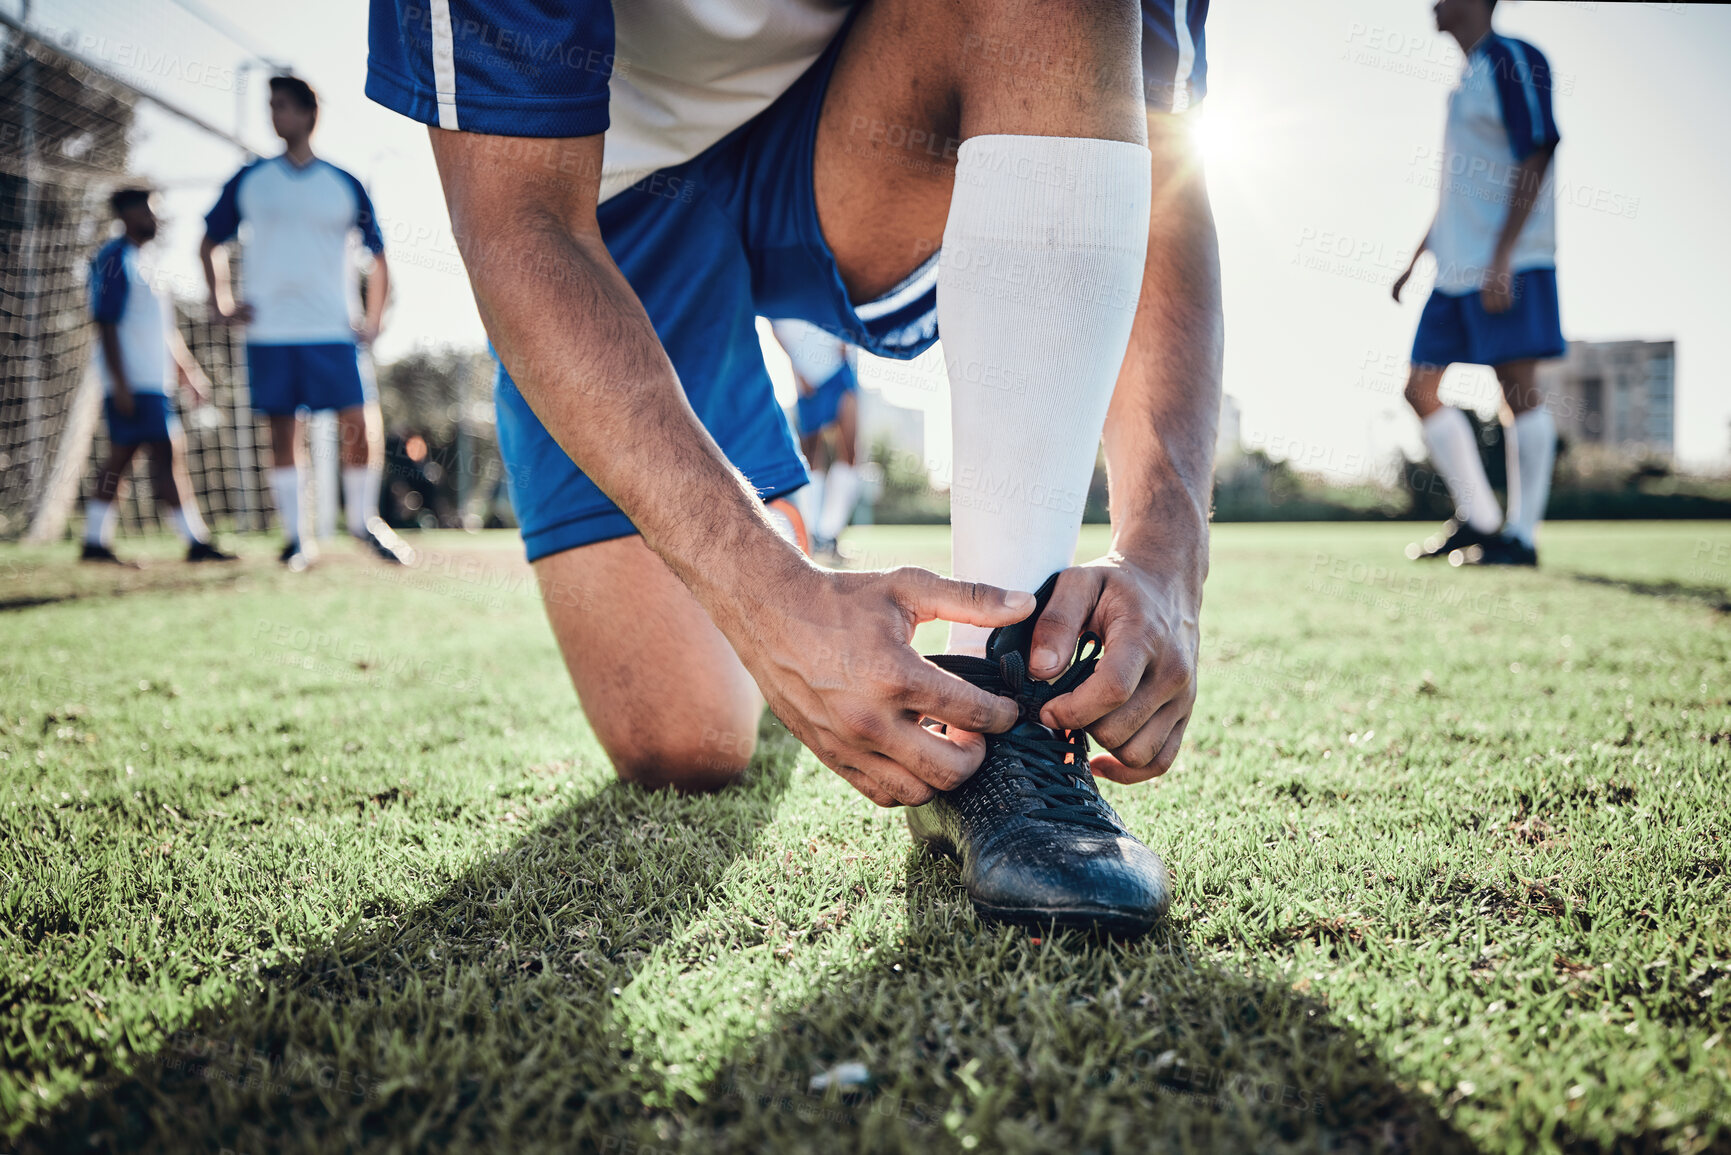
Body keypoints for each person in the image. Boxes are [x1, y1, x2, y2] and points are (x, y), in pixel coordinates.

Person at [367, 0, 1218, 936]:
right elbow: (515, 215)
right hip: (602, 191)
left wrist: (1169, 552)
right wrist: (765, 595)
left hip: (853, 132)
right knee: (682, 744)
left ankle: (997, 707)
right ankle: (787, 551)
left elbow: (1154, 138)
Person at [201, 75, 413, 570]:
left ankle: (364, 524)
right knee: (282, 432)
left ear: (308, 115)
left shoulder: (343, 183)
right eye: (270, 106)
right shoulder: (249, 180)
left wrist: (374, 319)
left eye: (283, 107)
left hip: (333, 329)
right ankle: (297, 538)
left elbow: (379, 256)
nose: (275, 116)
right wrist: (222, 302)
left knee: (360, 424)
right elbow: (209, 241)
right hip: (270, 331)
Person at [1393, 0, 1563, 567]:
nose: (1432, 3)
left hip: (1508, 260)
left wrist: (1503, 255)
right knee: (1420, 388)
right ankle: (1483, 521)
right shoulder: (1463, 83)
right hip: (1454, 268)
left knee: (1515, 389)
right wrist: (1418, 255)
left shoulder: (1513, 59)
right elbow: (1457, 190)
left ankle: (1522, 537)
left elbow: (1539, 148)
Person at [81, 188, 236, 567]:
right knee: (166, 452)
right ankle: (195, 540)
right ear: (128, 214)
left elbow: (163, 331)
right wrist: (119, 383)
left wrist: (187, 371)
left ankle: (94, 541)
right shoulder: (115, 258)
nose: (154, 220)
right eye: (148, 212)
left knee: (123, 458)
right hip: (134, 382)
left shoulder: (146, 262)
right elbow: (106, 323)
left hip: (155, 381)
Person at [771, 318, 861, 561]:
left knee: (851, 453)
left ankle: (829, 534)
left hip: (839, 371)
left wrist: (845, 337)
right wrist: (797, 372)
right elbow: (775, 328)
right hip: (807, 378)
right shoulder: (775, 289)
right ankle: (812, 533)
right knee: (811, 460)